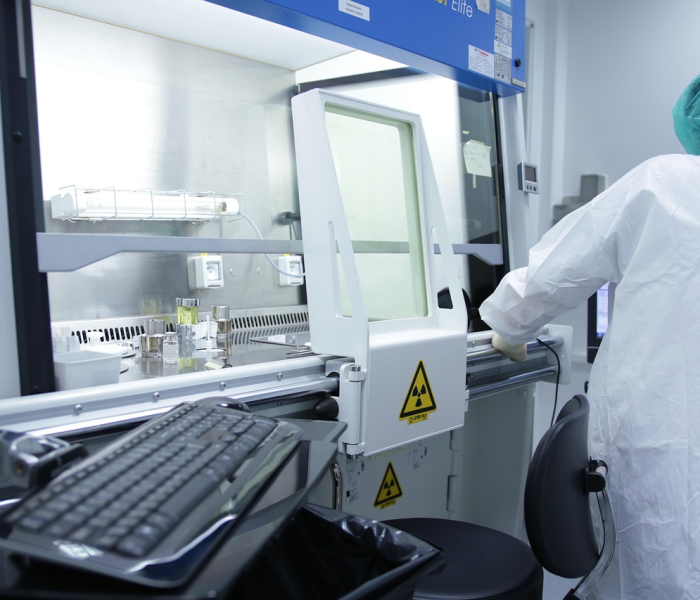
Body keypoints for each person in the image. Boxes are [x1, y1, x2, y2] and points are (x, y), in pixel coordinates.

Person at [478, 73, 700, 600]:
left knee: (653, 570)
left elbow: (560, 269)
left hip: (665, 438)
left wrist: (509, 325)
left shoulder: (668, 181)